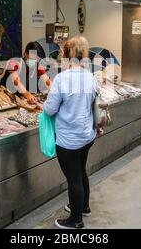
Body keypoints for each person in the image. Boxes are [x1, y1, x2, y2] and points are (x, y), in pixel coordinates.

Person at [43, 36, 98, 229]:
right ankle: (84, 207)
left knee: (73, 178)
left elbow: (50, 109)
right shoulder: (90, 77)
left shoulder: (61, 79)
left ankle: (76, 221)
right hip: (86, 136)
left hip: (69, 140)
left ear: (66, 55)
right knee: (81, 171)